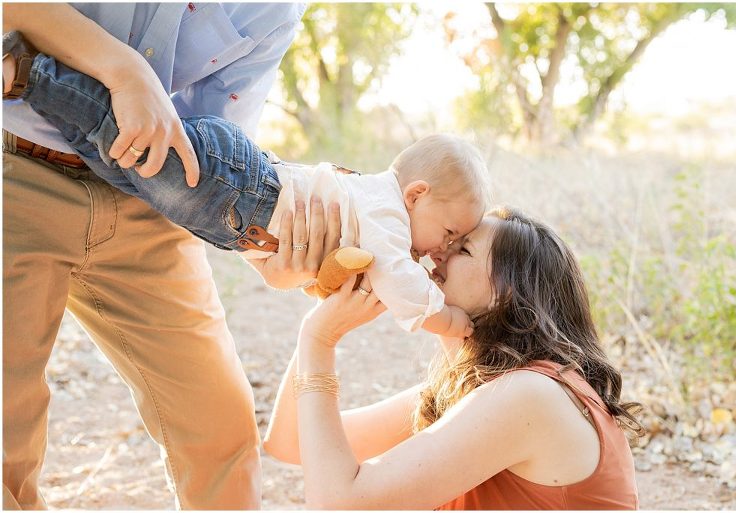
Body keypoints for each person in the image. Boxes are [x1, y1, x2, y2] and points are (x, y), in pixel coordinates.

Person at [2, 3, 314, 509]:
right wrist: (124, 70)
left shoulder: (273, 10)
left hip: (146, 199)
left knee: (218, 423)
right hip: (16, 165)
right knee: (5, 427)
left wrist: (260, 244)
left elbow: (213, 152)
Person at [4, 36, 490, 337]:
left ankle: (43, 90)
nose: (443, 249)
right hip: (233, 185)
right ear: (416, 195)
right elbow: (397, 279)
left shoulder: (374, 202)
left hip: (231, 191)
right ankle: (30, 73)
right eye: (449, 233)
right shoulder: (387, 215)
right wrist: (444, 317)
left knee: (113, 151)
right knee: (126, 136)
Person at [263, 207, 645, 509]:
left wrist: (320, 340)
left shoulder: (531, 395)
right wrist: (325, 310)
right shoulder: (474, 392)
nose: (434, 254)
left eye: (462, 249)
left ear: (506, 292)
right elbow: (288, 442)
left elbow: (339, 503)